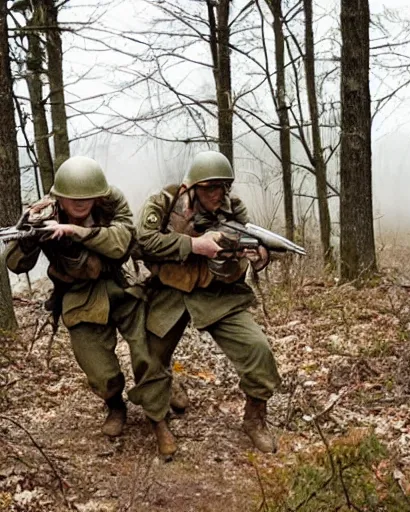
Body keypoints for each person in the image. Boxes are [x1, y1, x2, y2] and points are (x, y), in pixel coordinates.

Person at [5, 156, 176, 457]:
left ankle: (158, 418)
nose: (81, 203)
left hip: (121, 287)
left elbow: (122, 242)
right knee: (98, 370)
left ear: (99, 194)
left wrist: (77, 233)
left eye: (88, 197)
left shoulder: (112, 203)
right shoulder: (45, 211)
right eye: (73, 198)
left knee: (147, 353)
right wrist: (31, 236)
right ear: (60, 196)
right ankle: (115, 406)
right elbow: (16, 264)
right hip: (78, 296)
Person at [136, 150, 282, 454]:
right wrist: (193, 244)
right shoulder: (164, 202)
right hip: (170, 289)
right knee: (149, 357)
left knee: (257, 349)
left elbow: (253, 245)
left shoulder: (234, 210)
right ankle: (159, 419)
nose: (220, 193)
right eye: (212, 187)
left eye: (224, 186)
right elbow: (143, 242)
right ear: (193, 187)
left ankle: (255, 418)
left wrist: (259, 258)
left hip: (215, 293)